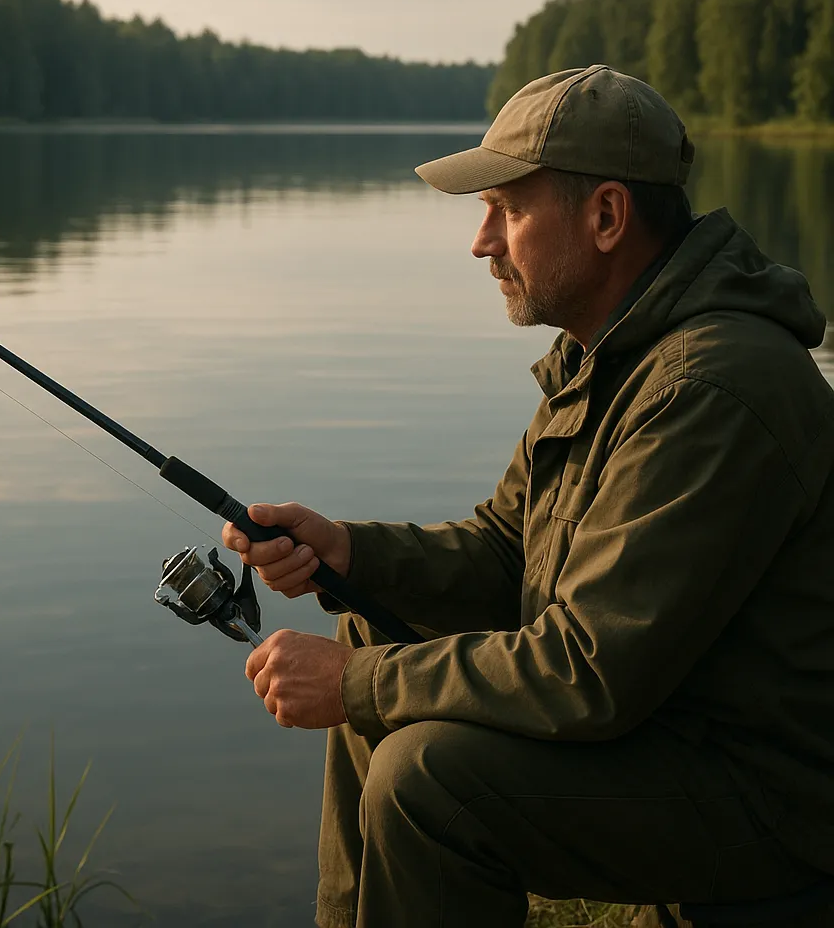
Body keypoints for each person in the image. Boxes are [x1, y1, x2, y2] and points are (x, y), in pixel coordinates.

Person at [221, 65, 834, 928]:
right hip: (680, 733)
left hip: (773, 799)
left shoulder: (710, 387)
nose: (482, 241)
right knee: (368, 617)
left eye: (507, 209)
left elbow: (590, 668)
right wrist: (350, 554)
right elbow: (508, 553)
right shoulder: (610, 358)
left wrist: (357, 684)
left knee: (425, 779)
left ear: (608, 217)